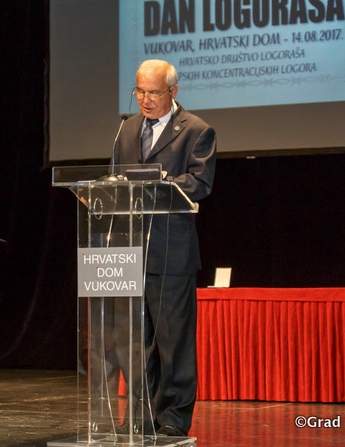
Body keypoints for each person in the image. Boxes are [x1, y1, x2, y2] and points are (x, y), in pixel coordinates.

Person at [112, 59, 216, 437]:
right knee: (135, 343)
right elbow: (116, 180)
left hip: (170, 253)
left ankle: (173, 418)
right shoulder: (126, 129)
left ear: (173, 91)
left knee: (173, 344)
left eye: (153, 93)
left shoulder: (197, 131)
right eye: (139, 92)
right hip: (130, 253)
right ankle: (140, 416)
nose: (145, 100)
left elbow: (200, 183)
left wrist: (161, 183)